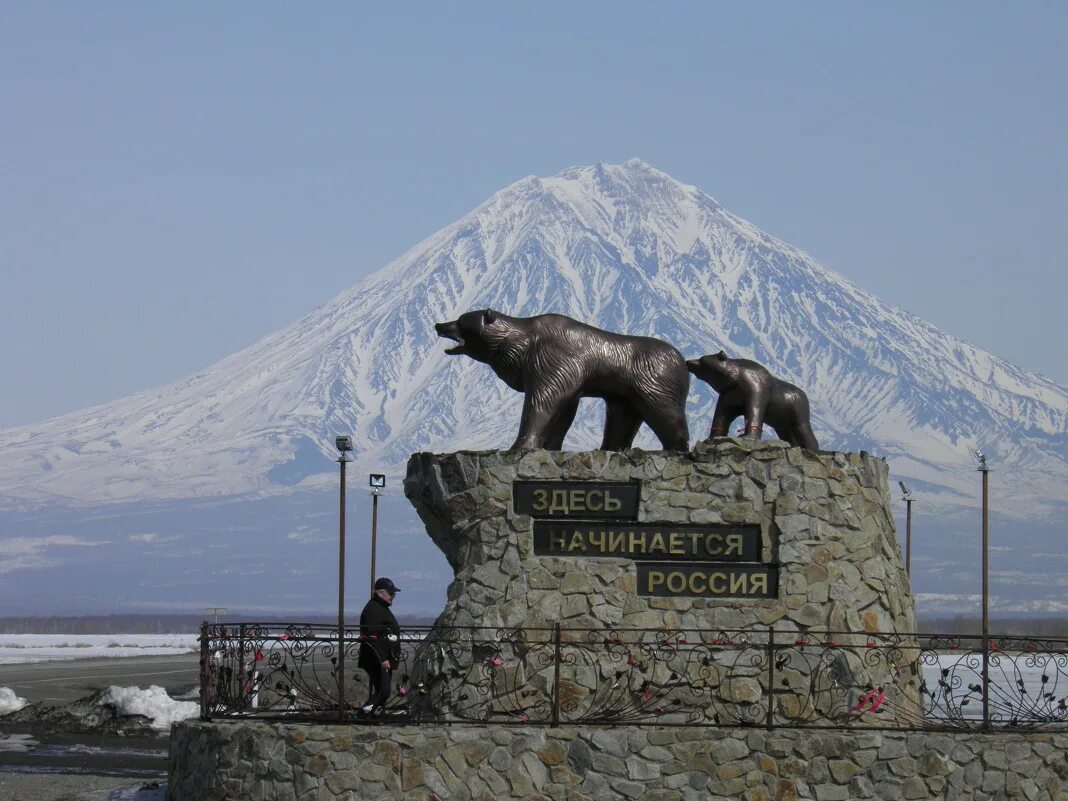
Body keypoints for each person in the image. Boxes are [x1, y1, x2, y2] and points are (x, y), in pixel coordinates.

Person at [358, 577, 401, 715]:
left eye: (394, 594)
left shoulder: (379, 607)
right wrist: (382, 658)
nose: (393, 597)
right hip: (376, 659)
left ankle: (371, 715)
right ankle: (364, 715)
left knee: (383, 691)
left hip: (382, 658)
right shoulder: (374, 609)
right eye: (391, 593)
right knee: (383, 691)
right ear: (380, 593)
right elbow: (371, 636)